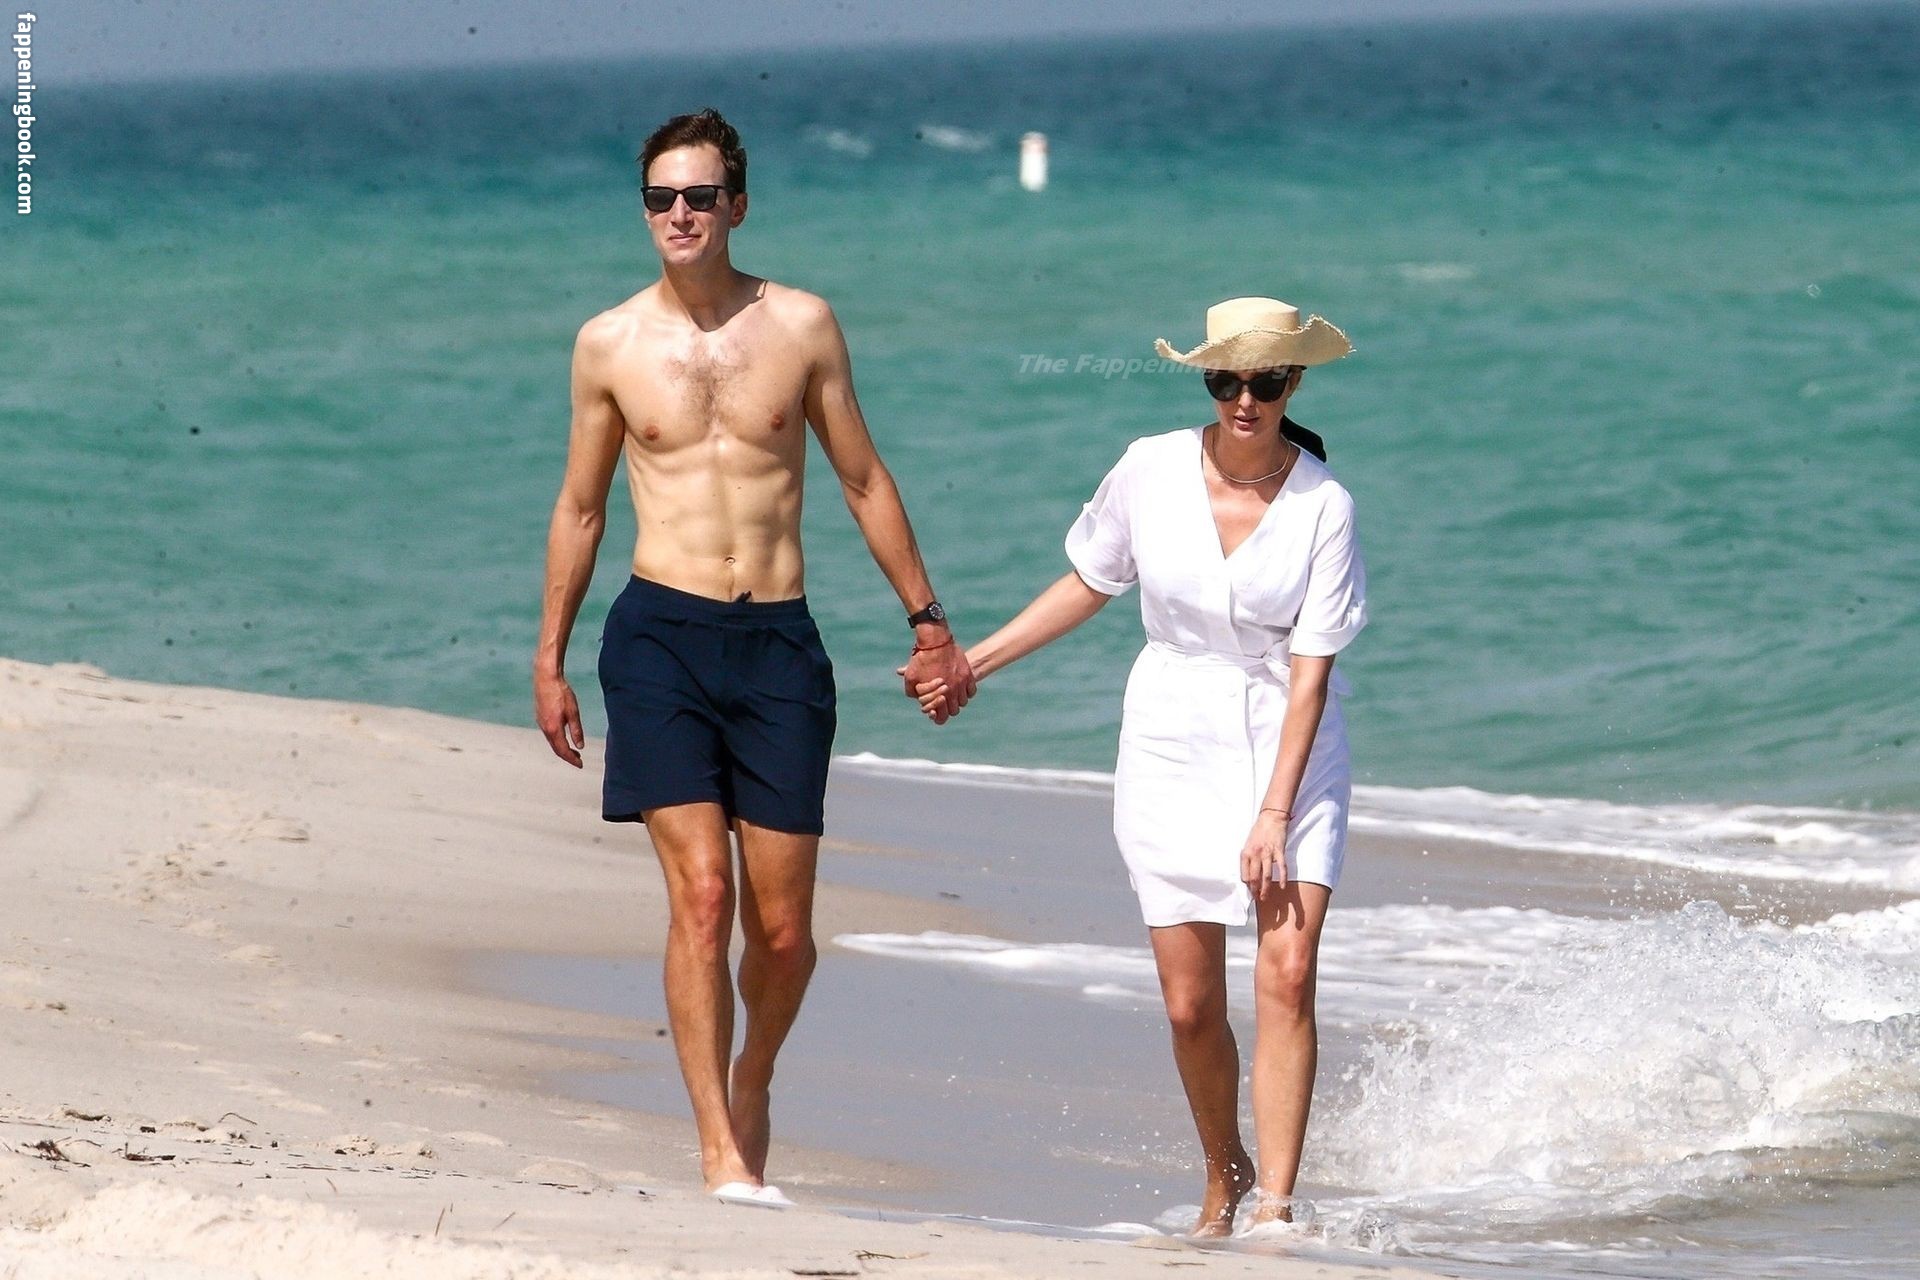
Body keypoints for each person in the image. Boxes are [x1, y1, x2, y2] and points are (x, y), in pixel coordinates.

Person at [532, 108, 976, 1206]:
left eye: (698, 196)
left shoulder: (802, 325)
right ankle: (719, 1151)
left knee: (783, 934)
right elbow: (582, 507)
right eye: (660, 198)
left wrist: (928, 619)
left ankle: (754, 1074)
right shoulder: (608, 344)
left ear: (736, 204)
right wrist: (550, 658)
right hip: (659, 638)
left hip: (777, 641)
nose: (679, 214)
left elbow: (863, 479)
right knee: (703, 896)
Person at [916, 297, 1367, 1234]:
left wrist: (1275, 811)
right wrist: (971, 666)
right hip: (1171, 734)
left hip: (1289, 741)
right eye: (1226, 380)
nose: (1245, 400)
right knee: (1190, 1004)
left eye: (1266, 381)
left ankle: (1276, 1211)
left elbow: (1312, 674)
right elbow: (1090, 582)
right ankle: (1226, 1171)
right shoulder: (1149, 468)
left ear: (1295, 383)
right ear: (1208, 380)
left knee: (1286, 974)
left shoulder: (1325, 506)